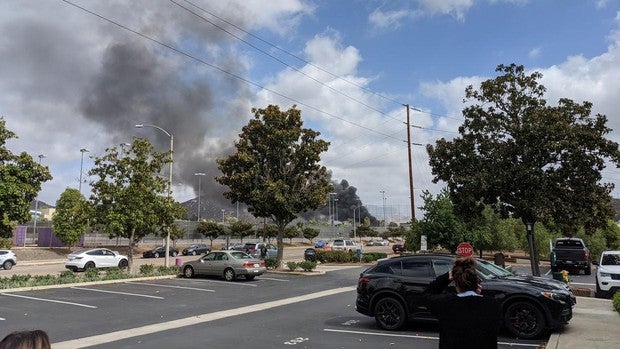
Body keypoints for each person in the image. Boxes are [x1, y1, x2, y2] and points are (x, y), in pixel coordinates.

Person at [426, 257, 501, 349]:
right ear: (477, 285)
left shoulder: (445, 304)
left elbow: (427, 294)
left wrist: (446, 277)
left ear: (456, 284)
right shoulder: (493, 305)